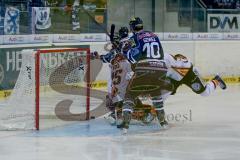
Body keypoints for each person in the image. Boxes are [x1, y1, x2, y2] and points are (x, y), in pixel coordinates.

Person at [118, 17, 172, 133]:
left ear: (132, 27)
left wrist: (124, 50)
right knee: (156, 92)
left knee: (130, 95)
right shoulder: (154, 35)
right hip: (161, 68)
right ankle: (163, 122)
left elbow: (133, 58)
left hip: (145, 68)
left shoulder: (134, 38)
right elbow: (161, 53)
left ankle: (125, 124)